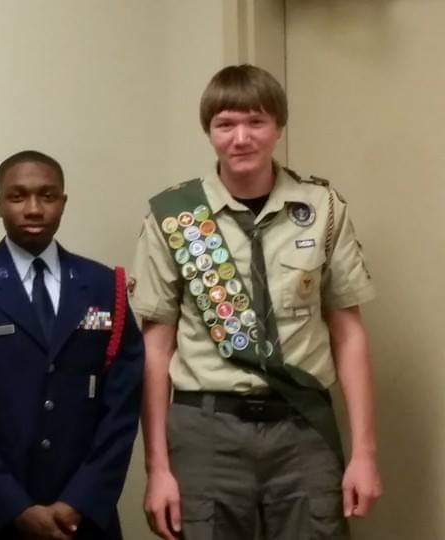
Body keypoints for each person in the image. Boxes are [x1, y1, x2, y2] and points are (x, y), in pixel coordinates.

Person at [132, 64, 381, 539]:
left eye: (256, 122)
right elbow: (155, 348)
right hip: (206, 431)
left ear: (278, 128)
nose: (241, 138)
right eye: (225, 124)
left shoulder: (324, 210)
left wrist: (365, 455)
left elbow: (348, 334)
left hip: (301, 428)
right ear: (209, 131)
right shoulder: (175, 217)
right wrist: (157, 469)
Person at [0, 150, 144, 539]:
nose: (33, 208)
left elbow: (122, 406)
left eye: (47, 196)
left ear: (63, 201)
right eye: (18, 196)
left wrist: (81, 498)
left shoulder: (102, 285)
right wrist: (15, 506)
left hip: (83, 515)